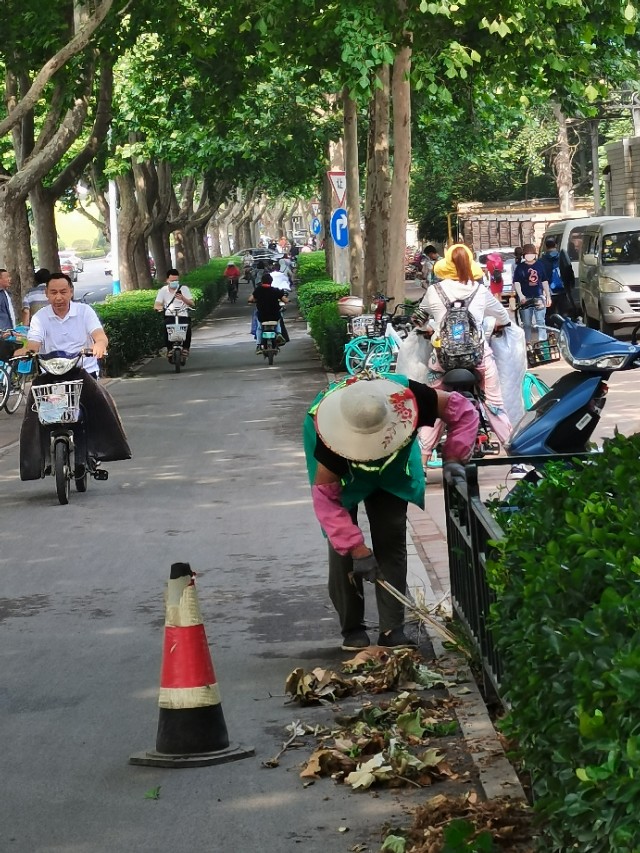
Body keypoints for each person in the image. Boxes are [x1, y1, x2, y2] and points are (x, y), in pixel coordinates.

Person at [303, 373, 479, 650]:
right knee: (343, 552)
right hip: (346, 476)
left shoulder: (413, 397)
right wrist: (356, 548)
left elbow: (465, 412)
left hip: (392, 471)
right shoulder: (328, 439)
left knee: (391, 537)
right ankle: (352, 628)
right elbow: (327, 501)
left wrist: (455, 456)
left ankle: (392, 629)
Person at [15, 272, 131, 480]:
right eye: (53, 293)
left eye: (63, 292)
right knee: (34, 411)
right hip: (50, 374)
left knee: (100, 403)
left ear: (71, 292)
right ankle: (35, 462)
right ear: (47, 294)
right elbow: (34, 343)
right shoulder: (40, 317)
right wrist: (26, 350)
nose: (58, 297)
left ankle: (102, 449)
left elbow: (99, 336)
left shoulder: (85, 312)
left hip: (83, 370)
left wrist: (99, 345)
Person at [415, 244, 512, 468]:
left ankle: (420, 466)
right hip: (479, 360)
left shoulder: (434, 290)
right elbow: (503, 316)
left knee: (433, 408)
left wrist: (430, 327)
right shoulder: (480, 291)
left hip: (442, 361)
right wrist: (499, 325)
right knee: (495, 406)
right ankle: (519, 461)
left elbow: (418, 320)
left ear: (447, 264)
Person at [512, 243, 551, 345]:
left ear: (535, 254)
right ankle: (528, 343)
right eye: (527, 254)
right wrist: (521, 296)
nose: (529, 256)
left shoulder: (540, 265)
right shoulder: (520, 267)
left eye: (531, 253)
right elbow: (517, 282)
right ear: (524, 255)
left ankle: (543, 343)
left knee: (540, 321)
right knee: (527, 323)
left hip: (539, 297)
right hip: (526, 299)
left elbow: (544, 281)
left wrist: (548, 295)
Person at [154, 269, 195, 362]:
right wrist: (159, 308)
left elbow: (192, 303)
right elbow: (157, 304)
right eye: (172, 281)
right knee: (166, 327)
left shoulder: (184, 289)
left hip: (182, 314)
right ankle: (169, 349)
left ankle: (185, 348)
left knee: (187, 328)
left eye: (176, 280)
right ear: (167, 280)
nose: (174, 282)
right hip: (170, 314)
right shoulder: (163, 290)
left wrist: (183, 298)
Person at [248, 272, 289, 352]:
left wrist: (254, 300)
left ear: (262, 281)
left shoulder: (258, 290)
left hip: (262, 316)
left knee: (259, 328)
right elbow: (285, 300)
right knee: (278, 321)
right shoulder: (276, 290)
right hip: (274, 315)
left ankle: (259, 346)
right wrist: (288, 300)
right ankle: (279, 334)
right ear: (271, 281)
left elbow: (250, 299)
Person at [539, 236, 576, 320]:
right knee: (564, 313)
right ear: (555, 245)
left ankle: (551, 331)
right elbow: (568, 270)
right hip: (562, 290)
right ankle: (564, 330)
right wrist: (570, 284)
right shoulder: (562, 258)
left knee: (549, 314)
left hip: (549, 291)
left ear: (545, 246)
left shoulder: (541, 261)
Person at [0, 268, 19, 363]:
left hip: (10, 332)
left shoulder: (6, 293)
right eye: (7, 277)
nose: (9, 279)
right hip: (3, 334)